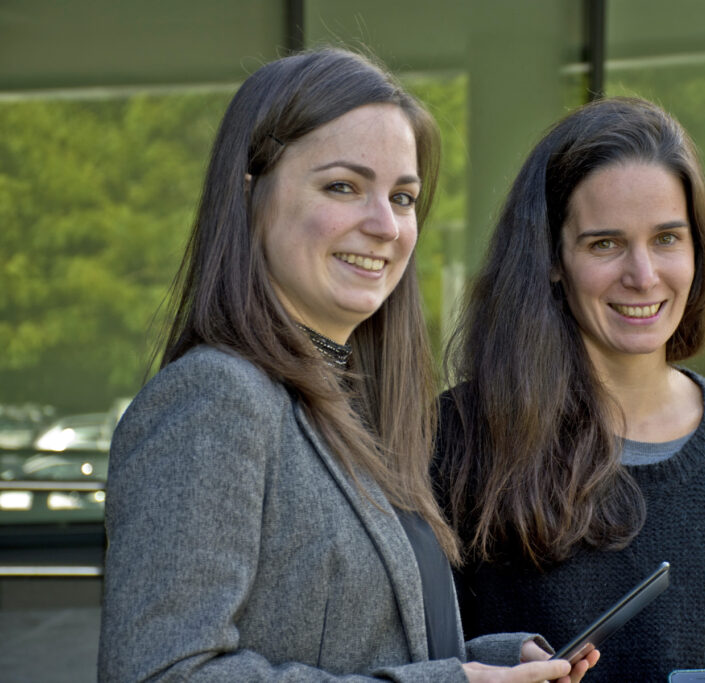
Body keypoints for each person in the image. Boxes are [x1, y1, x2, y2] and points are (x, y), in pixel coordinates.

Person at [98, 47, 597, 682]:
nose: (386, 225)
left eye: (403, 197)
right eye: (343, 187)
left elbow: (360, 653)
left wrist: (493, 663)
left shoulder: (354, 407)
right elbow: (161, 674)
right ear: (251, 196)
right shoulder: (214, 398)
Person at [435, 97, 705, 681]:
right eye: (605, 244)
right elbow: (408, 649)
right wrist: (504, 660)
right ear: (552, 259)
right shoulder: (458, 437)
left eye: (666, 239)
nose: (643, 275)